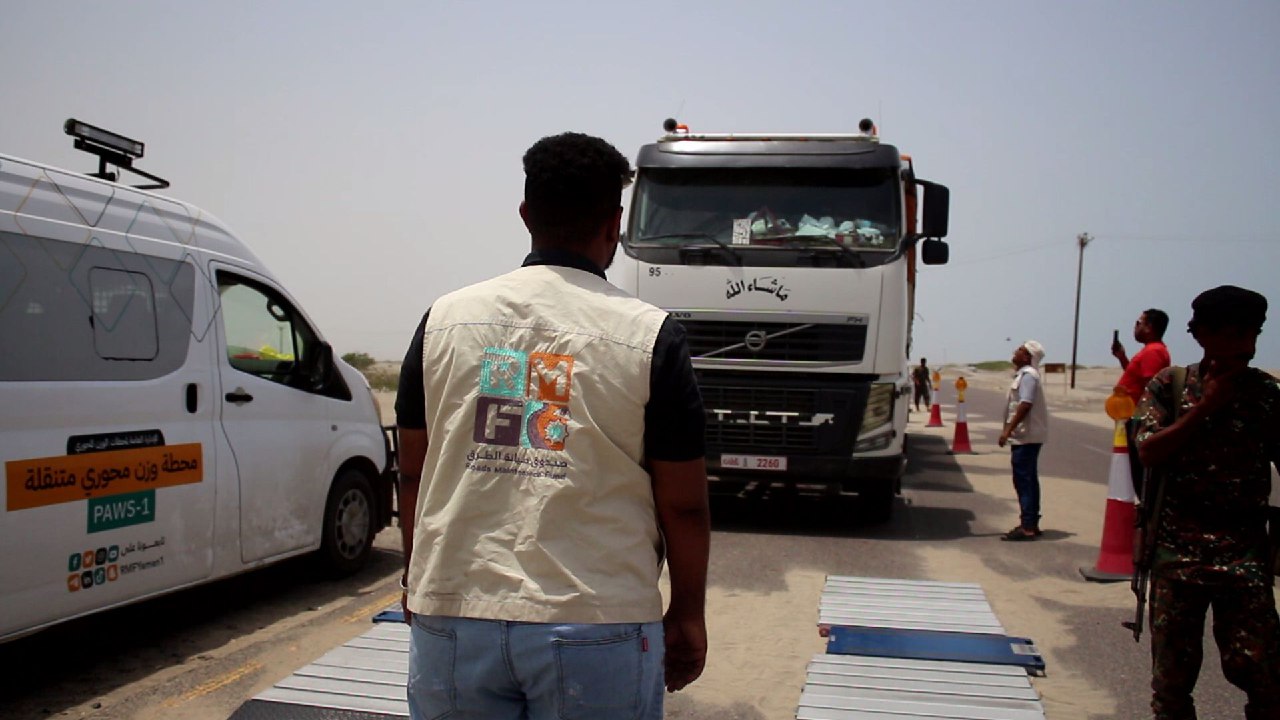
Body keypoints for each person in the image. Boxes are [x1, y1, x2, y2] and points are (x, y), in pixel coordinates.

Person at [394, 132, 711, 720]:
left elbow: (413, 472)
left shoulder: (443, 321)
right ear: (615, 225)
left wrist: (418, 581)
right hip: (598, 620)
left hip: (454, 613)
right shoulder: (649, 336)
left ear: (525, 215)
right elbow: (684, 504)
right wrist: (688, 612)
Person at [1134, 285, 1280, 720]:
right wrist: (1204, 410)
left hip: (1245, 557)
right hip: (1176, 556)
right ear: (1200, 334)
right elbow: (1148, 451)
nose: (1245, 346)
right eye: (1232, 335)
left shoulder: (1267, 394)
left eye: (1252, 334)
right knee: (1172, 686)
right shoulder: (1171, 385)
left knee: (1265, 679)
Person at [1112, 309, 1172, 494]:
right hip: (1132, 416)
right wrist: (1122, 357)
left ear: (1149, 327)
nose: (1135, 327)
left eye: (1139, 323)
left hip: (1137, 418)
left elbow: (1151, 388)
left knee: (1138, 471)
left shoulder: (1153, 352)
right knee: (1133, 468)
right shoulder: (1150, 350)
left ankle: (1145, 505)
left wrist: (1139, 422)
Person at [997, 340, 1049, 541]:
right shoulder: (1025, 375)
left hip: (1025, 436)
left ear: (1027, 357)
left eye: (1020, 350)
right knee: (1029, 479)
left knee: (1023, 480)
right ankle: (1031, 522)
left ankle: (1027, 526)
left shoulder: (1028, 376)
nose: (1015, 352)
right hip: (1027, 435)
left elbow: (1025, 405)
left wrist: (1007, 431)